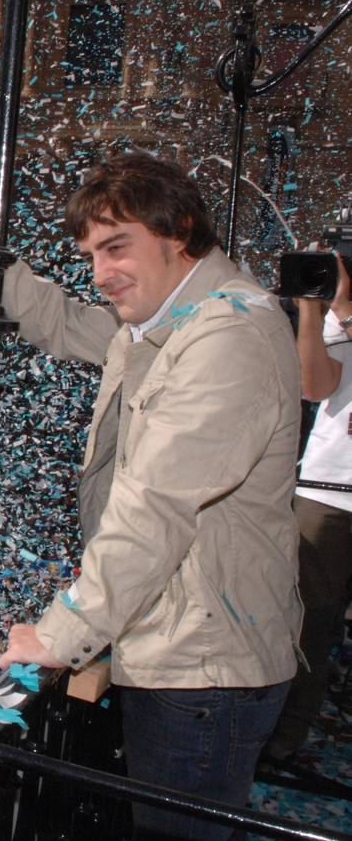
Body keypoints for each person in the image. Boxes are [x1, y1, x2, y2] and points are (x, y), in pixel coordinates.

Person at [0, 151, 302, 839]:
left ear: (180, 230)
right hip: (190, 650)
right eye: (91, 253)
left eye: (117, 247)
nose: (102, 272)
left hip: (203, 674)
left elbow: (155, 508)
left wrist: (59, 636)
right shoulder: (168, 321)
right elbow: (58, 321)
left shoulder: (227, 337)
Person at [265, 252, 352, 762]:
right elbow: (313, 386)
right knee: (306, 625)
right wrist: (314, 311)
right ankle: (281, 741)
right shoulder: (338, 324)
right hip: (327, 495)